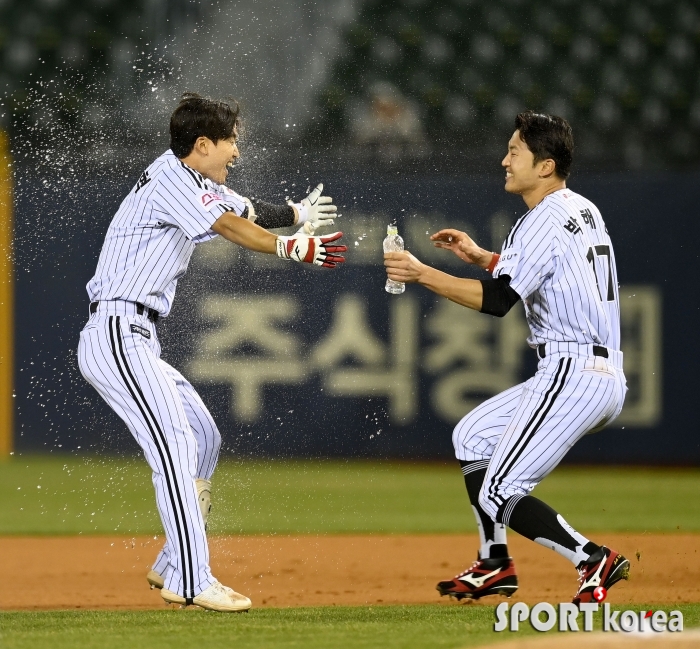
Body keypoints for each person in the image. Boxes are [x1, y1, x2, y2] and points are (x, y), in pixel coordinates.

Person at [77, 93, 346, 612]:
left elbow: (242, 208)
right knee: (176, 448)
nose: (236, 153)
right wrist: (293, 245)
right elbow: (228, 225)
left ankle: (174, 567)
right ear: (203, 145)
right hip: (116, 329)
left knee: (203, 437)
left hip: (137, 335)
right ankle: (196, 579)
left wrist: (293, 213)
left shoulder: (193, 180)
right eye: (231, 143)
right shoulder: (174, 181)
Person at [384, 111, 629, 605]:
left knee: (499, 488)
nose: (504, 159)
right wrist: (486, 258)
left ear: (545, 166)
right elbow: (549, 272)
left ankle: (591, 558)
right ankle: (494, 563)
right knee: (472, 436)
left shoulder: (539, 220)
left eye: (515, 150)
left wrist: (420, 273)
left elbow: (498, 303)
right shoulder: (580, 208)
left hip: (573, 370)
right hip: (597, 370)